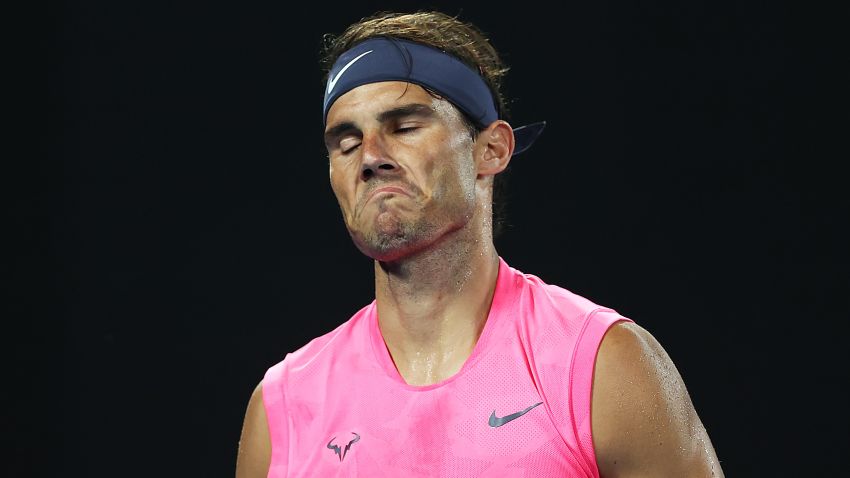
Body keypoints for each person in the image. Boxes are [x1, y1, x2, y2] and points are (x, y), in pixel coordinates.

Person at [236, 11, 723, 477]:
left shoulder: (604, 367)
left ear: (491, 150)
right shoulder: (282, 411)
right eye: (346, 142)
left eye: (404, 127)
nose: (370, 157)